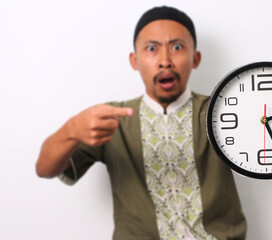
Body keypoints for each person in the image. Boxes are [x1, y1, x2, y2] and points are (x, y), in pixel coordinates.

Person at [36, 6, 247, 240]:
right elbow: (44, 169)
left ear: (195, 58)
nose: (165, 61)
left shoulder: (222, 111)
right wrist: (71, 131)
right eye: (152, 49)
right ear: (134, 60)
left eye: (177, 47)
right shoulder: (110, 119)